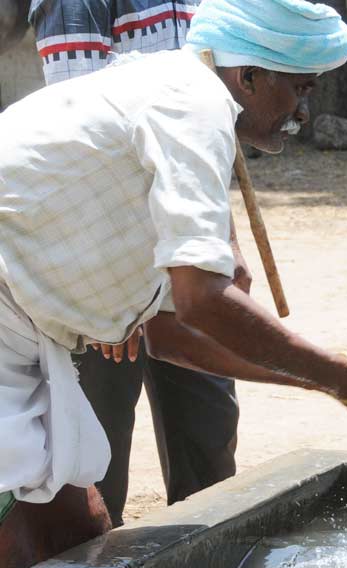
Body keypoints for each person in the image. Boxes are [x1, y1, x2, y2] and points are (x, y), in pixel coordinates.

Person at [0, 0, 347, 568]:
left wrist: (338, 384)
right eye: (300, 90)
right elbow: (201, 299)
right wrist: (342, 376)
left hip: (25, 336)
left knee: (77, 539)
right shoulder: (194, 103)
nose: (303, 114)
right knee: (40, 552)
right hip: (14, 333)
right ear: (250, 76)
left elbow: (170, 334)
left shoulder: (176, 91)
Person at [28, 0, 243, 530]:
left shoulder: (197, 6)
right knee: (98, 458)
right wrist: (115, 294)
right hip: (108, 255)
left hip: (183, 251)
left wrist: (226, 238)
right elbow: (79, 154)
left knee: (210, 436)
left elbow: (201, 139)